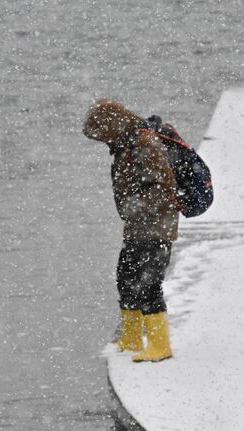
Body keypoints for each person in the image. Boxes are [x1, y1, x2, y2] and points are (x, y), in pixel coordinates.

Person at [82, 99, 179, 362]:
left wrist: (135, 206)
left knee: (149, 284)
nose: (102, 140)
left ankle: (160, 345)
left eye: (101, 134)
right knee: (126, 278)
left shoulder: (144, 144)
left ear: (112, 125)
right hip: (137, 228)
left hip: (156, 228)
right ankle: (131, 338)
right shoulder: (124, 145)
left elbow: (163, 187)